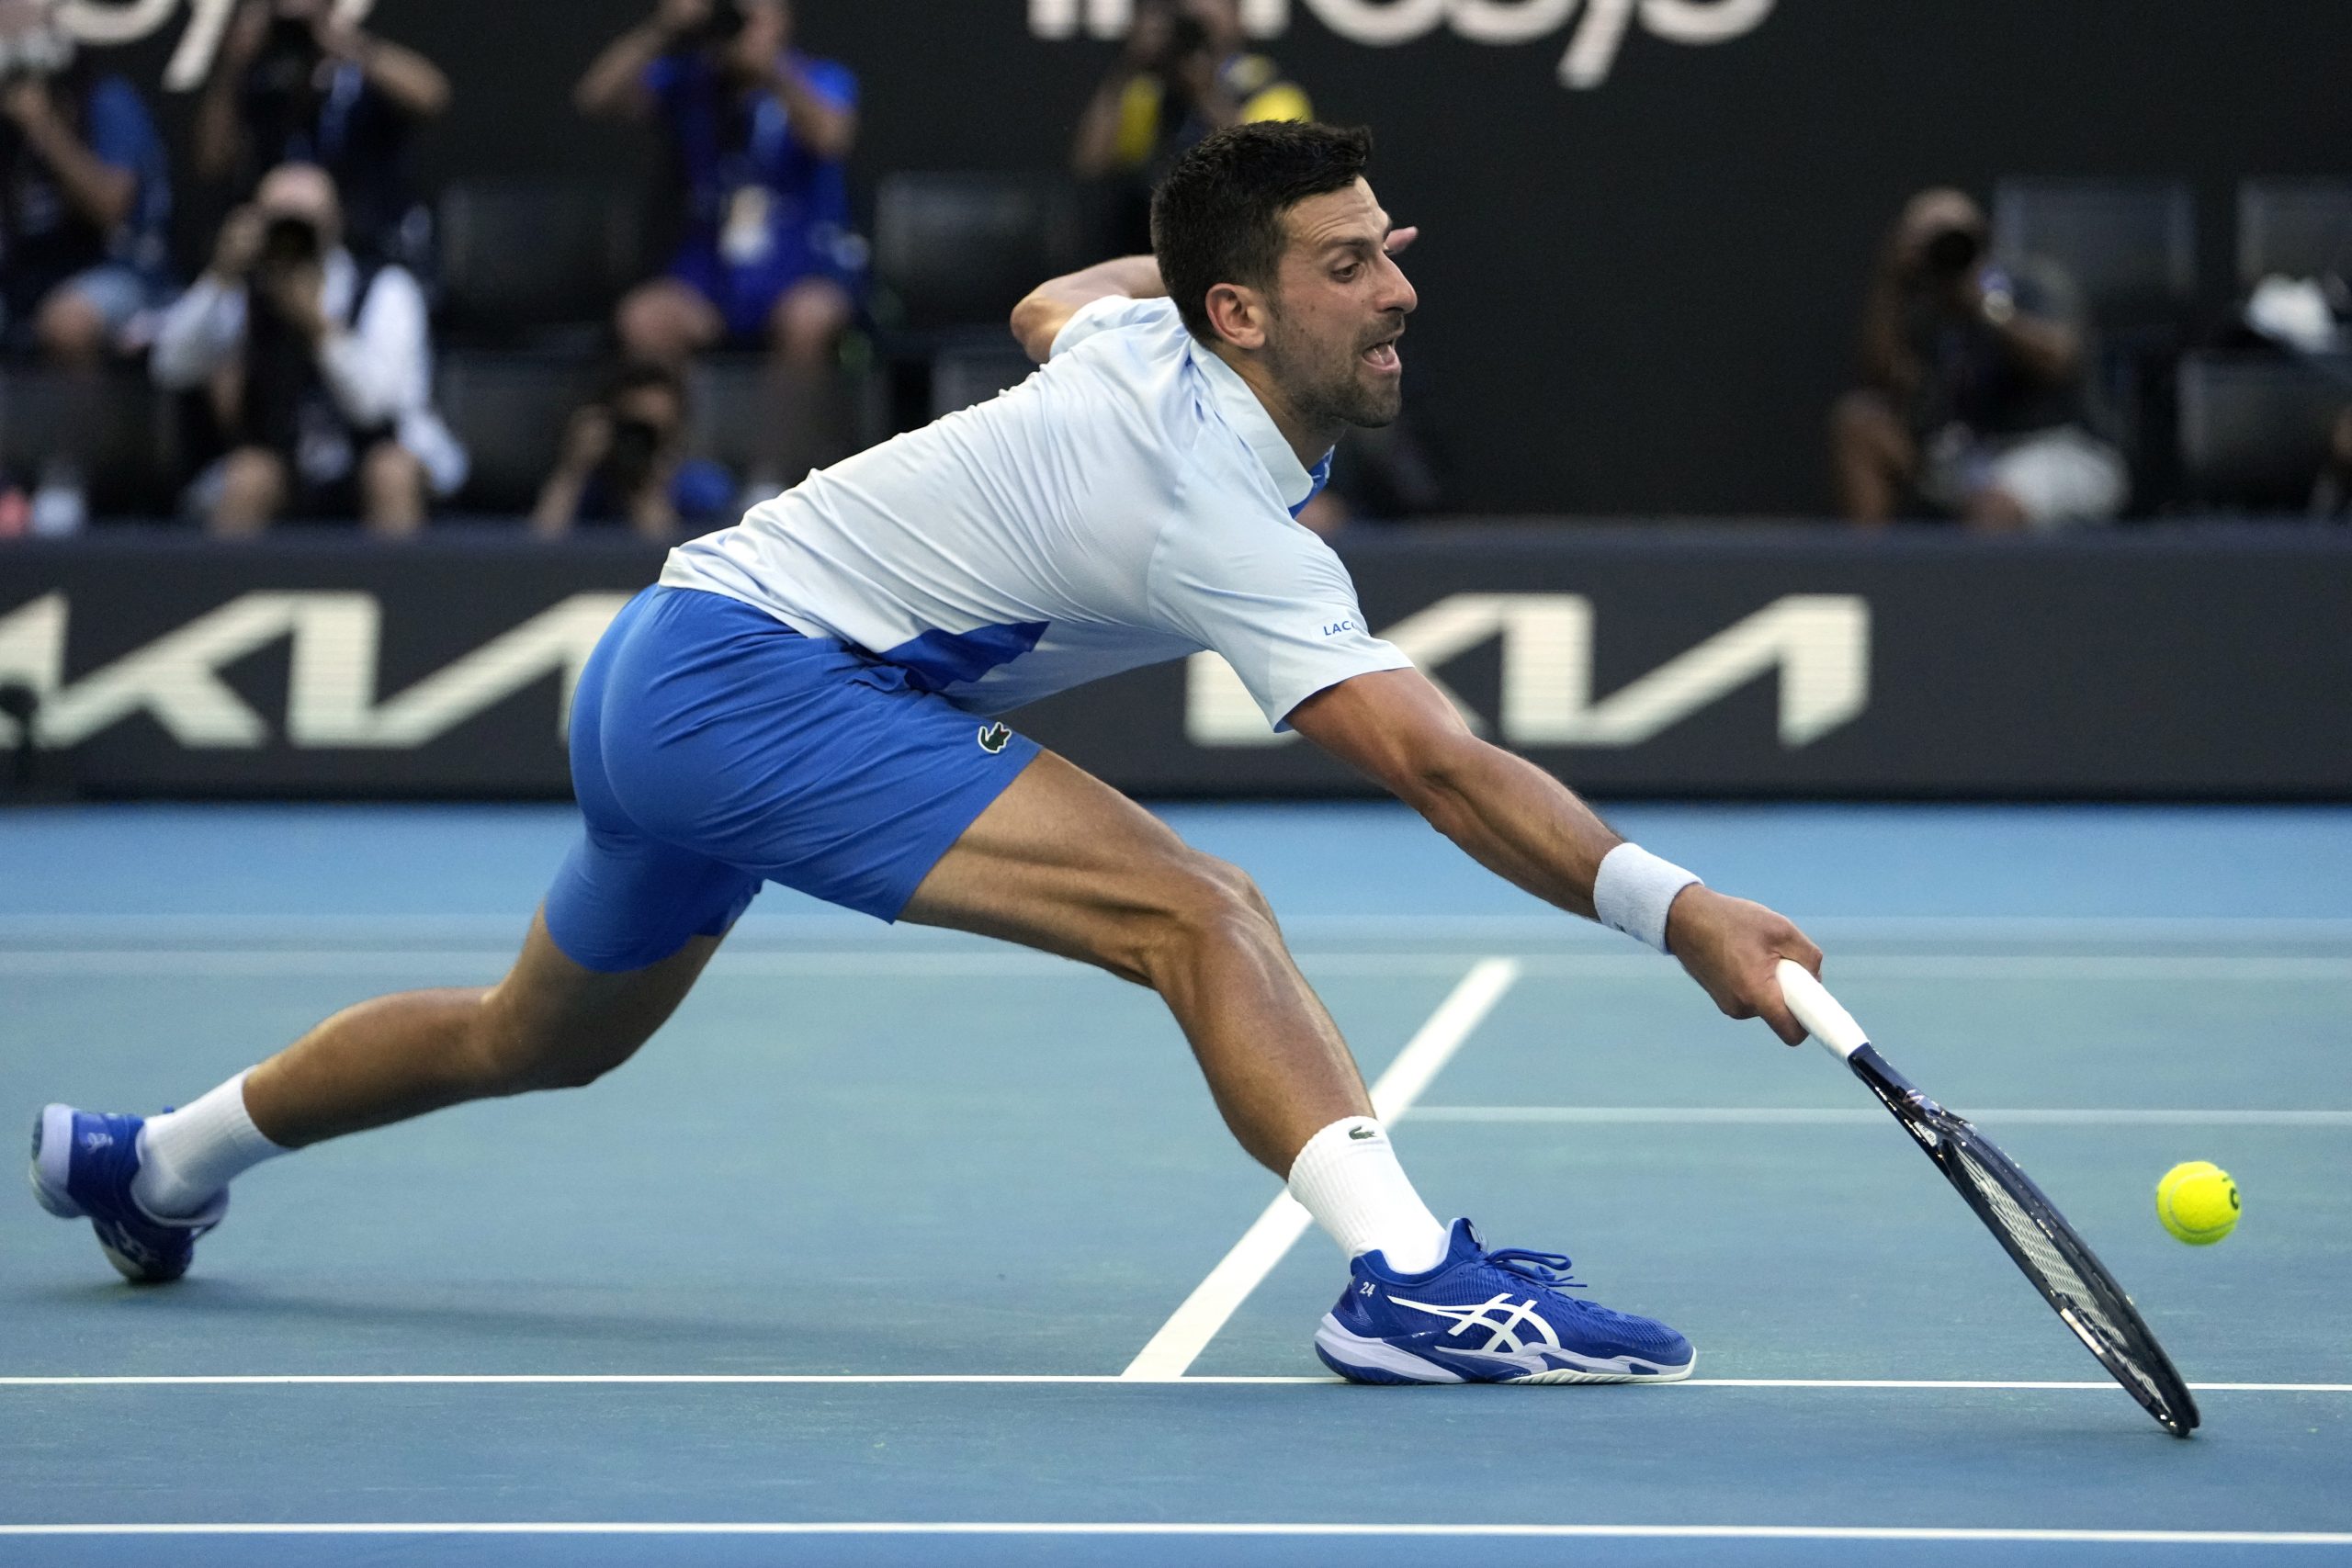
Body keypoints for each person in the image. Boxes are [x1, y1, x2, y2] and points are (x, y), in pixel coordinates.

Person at [32, 124, 1819, 1387]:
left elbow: (1049, 298)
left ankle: (151, 1162)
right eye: (1346, 265)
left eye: (1390, 250)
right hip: (750, 682)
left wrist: (1212, 265)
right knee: (1198, 910)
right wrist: (1681, 911)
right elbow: (1436, 765)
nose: (1398, 291)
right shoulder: (1209, 505)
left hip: (669, 661)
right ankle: (1407, 1279)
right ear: (1240, 313)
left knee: (535, 1037)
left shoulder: (1136, 340)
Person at [575, 0, 862, 492]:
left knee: (809, 317)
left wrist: (771, 69)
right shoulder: (692, 81)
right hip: (710, 271)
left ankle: (775, 479)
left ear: (782, 19)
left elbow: (831, 136)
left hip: (795, 266)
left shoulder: (817, 77)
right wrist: (663, 30)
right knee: (646, 318)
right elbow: (596, 99)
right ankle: (675, 479)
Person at [150, 162, 466, 537]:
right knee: (248, 476)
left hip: (375, 454)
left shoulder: (385, 289)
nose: (292, 237)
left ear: (334, 223)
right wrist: (217, 278)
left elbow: (376, 406)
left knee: (389, 472)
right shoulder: (239, 291)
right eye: (279, 222)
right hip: (284, 462)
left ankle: (402, 578)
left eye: (304, 222)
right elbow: (168, 367)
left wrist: (319, 329)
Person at [1830, 187, 2127, 532]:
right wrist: (1891, 282)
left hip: (2059, 447)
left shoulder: (2027, 283)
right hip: (1972, 451)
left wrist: (1986, 311)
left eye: (1954, 239)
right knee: (1859, 422)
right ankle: (1873, 563)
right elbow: (1884, 378)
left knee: (1993, 501)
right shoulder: (1924, 307)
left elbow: (2059, 360)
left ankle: (1972, 571)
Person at [0, 0, 173, 532]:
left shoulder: (102, 97)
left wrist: (43, 128)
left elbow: (110, 207)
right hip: (25, 276)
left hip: (122, 274)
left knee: (67, 321)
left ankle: (67, 475)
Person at [192, 0, 449, 273]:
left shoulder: (359, 66)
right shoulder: (262, 79)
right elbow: (212, 160)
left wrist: (345, 44)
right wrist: (234, 66)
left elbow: (433, 98)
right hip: (285, 247)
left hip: (370, 244)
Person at [1071, 0, 1310, 254]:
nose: (1198, 12)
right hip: (1154, 245)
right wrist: (1130, 65)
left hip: (1239, 247)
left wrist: (1205, 93)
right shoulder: (1153, 93)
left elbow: (1269, 174)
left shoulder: (1270, 89)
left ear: (1237, 18)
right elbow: (1092, 161)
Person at [532, 359, 736, 541]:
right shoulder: (589, 484)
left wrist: (646, 486)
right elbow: (538, 549)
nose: (638, 441)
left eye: (652, 432)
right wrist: (573, 470)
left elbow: (666, 556)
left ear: (678, 429)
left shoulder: (701, 485)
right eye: (633, 429)